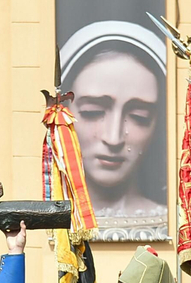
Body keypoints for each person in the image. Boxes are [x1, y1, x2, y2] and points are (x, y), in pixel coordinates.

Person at [57, 22, 168, 240]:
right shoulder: (42, 219)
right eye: (93, 112)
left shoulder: (173, 221)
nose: (113, 137)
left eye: (139, 117)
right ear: (62, 112)